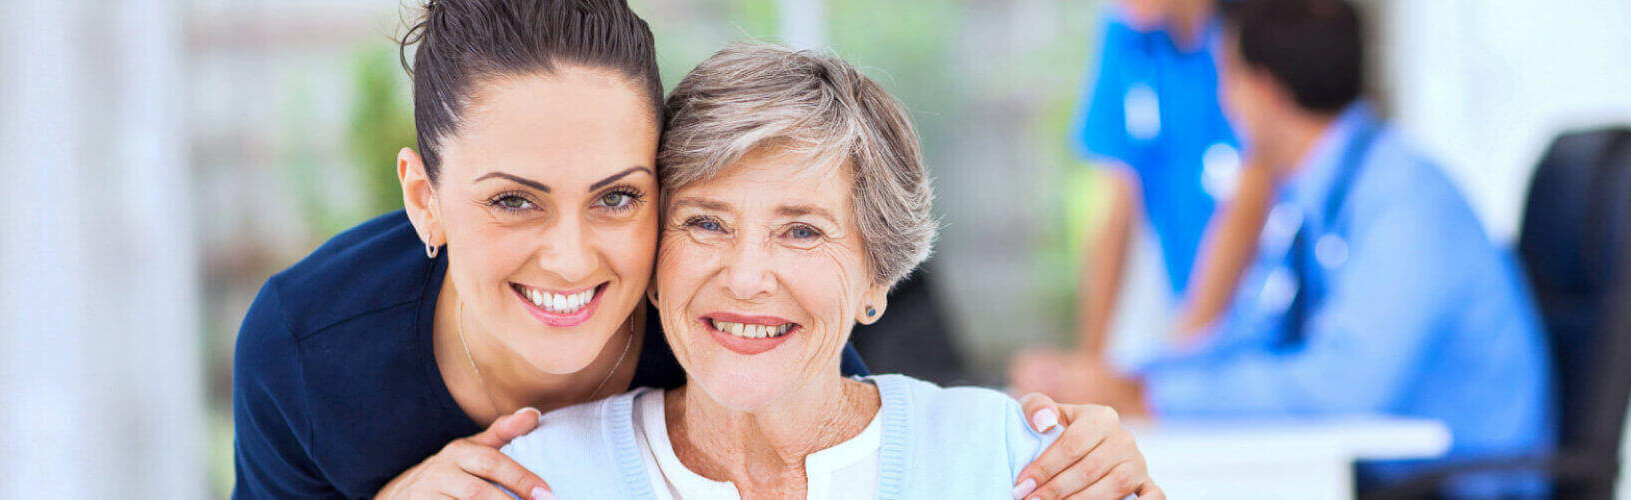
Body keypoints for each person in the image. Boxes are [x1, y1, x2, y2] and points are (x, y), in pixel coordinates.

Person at [230, 1, 1155, 498]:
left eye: (619, 197)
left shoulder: (732, 327)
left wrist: (1098, 457)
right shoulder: (306, 347)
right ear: (424, 199)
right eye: (514, 200)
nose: (571, 256)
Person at [502, 43, 1165, 500]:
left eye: (801, 231)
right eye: (706, 222)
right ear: (652, 260)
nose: (747, 276)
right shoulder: (537, 476)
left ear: (877, 277)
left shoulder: (1011, 458)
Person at [1020, 0, 1557, 497]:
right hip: (1394, 475)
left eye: (1227, 76)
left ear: (1265, 90)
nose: (1224, 100)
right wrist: (1130, 380)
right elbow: (1256, 335)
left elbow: (1341, 386)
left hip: (1466, 485)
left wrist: (1153, 397)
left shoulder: (1405, 199)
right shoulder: (1317, 194)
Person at [1027, 0, 1276, 384]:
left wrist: (1182, 357)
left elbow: (1251, 196)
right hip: (1189, 315)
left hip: (1261, 319)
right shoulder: (1126, 35)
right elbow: (1117, 207)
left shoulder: (1250, 32)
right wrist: (1088, 368)